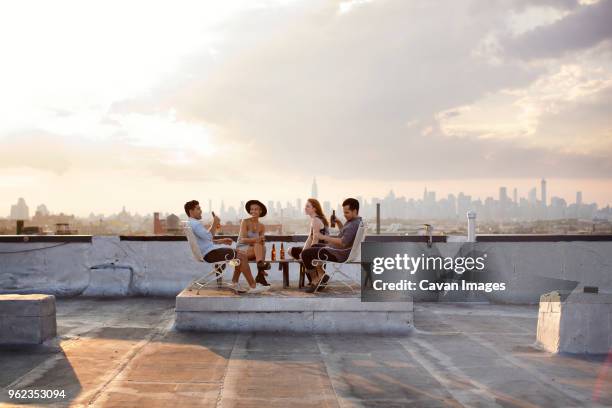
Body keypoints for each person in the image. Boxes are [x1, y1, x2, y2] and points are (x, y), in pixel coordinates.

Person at [184, 200, 269, 294]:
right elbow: (209, 236)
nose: (201, 211)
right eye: (198, 209)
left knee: (240, 255)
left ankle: (235, 282)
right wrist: (215, 222)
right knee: (241, 256)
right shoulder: (196, 224)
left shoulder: (191, 223)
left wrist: (221, 241)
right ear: (191, 211)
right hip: (210, 254)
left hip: (208, 252)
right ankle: (253, 286)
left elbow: (203, 240)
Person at [300, 198, 362, 293]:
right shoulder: (354, 222)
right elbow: (345, 235)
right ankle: (321, 276)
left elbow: (342, 242)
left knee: (305, 254)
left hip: (338, 254)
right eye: (344, 212)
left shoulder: (353, 224)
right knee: (313, 247)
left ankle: (315, 280)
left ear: (355, 211)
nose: (345, 215)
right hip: (339, 251)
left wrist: (323, 237)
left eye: (347, 212)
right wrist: (339, 223)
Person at [288, 198, 330, 286]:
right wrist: (304, 250)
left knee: (300, 254)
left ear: (314, 208)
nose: (305, 208)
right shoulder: (320, 219)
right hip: (322, 249)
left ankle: (316, 277)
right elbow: (310, 238)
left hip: (318, 250)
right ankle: (319, 275)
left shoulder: (316, 220)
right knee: (291, 250)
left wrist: (305, 253)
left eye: (308, 206)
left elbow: (315, 240)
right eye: (305, 206)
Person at [237, 199, 272, 286]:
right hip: (242, 250)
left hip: (254, 250)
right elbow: (242, 239)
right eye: (251, 209)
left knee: (262, 247)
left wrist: (262, 241)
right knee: (258, 245)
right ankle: (261, 272)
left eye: (256, 209)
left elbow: (261, 242)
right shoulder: (245, 222)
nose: (253, 211)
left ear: (260, 211)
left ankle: (260, 270)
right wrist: (257, 240)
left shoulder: (262, 226)